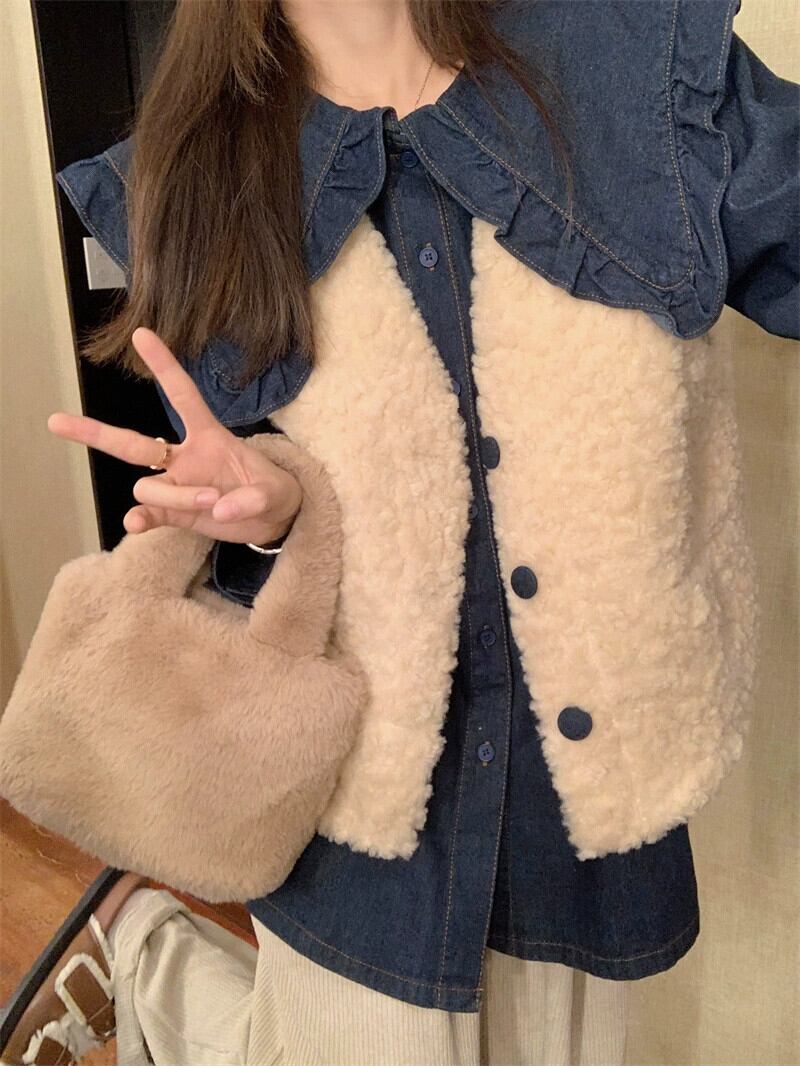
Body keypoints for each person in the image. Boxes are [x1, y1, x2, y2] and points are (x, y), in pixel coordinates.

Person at [3, 0, 798, 1064]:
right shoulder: (193, 176)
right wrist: (271, 509)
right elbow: (243, 517)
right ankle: (148, 950)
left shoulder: (638, 75)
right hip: (364, 807)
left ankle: (141, 952)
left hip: (589, 797)